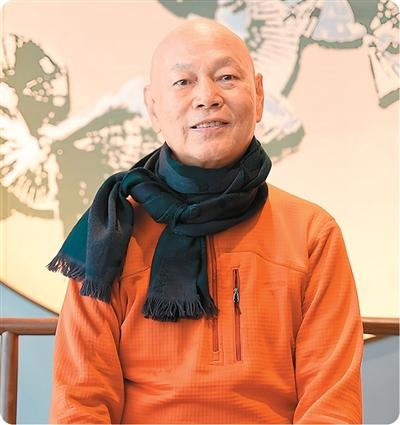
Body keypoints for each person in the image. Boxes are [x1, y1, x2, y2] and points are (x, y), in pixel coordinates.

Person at [48, 18, 364, 424]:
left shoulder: (312, 234)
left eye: (227, 77)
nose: (207, 97)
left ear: (259, 95)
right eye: (183, 82)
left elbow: (331, 404)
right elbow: (79, 403)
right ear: (153, 107)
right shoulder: (112, 230)